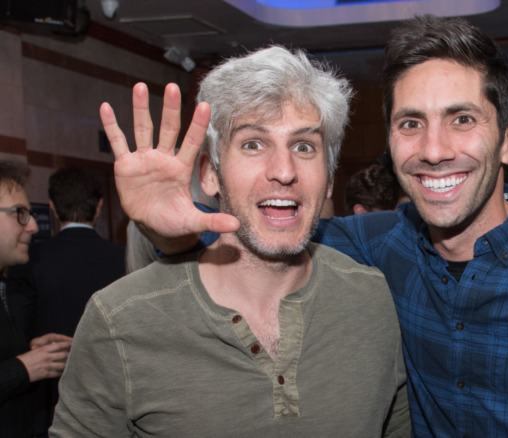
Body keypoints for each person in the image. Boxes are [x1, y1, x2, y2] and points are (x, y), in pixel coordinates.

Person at [100, 16, 508, 437]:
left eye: (462, 119)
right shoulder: (370, 247)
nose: (433, 149)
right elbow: (260, 233)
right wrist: (170, 232)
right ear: (391, 143)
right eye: (410, 124)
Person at [49, 46, 409, 437]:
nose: (284, 171)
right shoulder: (119, 320)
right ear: (209, 174)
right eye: (253, 144)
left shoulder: (373, 301)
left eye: (304, 146)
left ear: (329, 179)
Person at [6, 167, 126, 435]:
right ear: (98, 207)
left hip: (46, 401)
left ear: (52, 207)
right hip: (113, 395)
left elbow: (17, 325)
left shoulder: (30, 259)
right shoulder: (125, 258)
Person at [0, 160, 71, 437]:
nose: (32, 226)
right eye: (20, 214)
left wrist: (31, 352)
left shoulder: (7, 282)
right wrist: (24, 367)